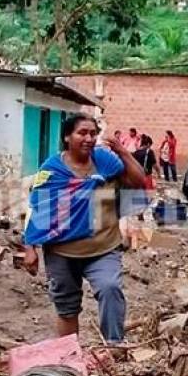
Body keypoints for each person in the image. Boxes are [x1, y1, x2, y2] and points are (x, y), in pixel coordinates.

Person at [22, 113, 148, 343]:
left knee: (110, 289)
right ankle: (71, 356)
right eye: (82, 133)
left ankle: (114, 347)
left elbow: (138, 181)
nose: (89, 138)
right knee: (67, 308)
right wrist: (30, 248)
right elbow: (38, 209)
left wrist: (122, 151)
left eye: (93, 133)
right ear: (67, 137)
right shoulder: (52, 170)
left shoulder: (106, 162)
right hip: (61, 253)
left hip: (103, 248)